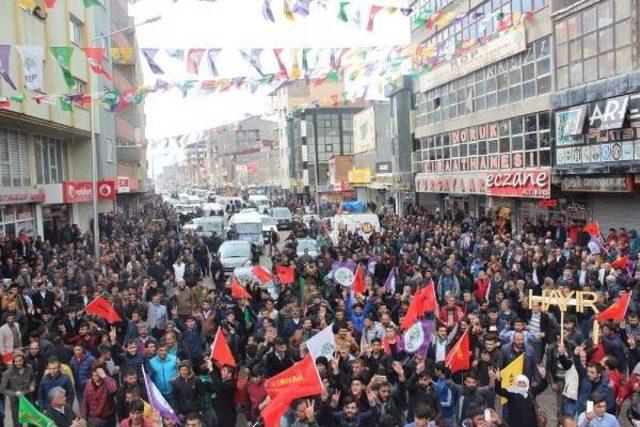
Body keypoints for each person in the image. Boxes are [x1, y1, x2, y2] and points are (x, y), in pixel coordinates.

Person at [0, 350, 35, 426]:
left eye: (20, 361)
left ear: (24, 360)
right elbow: (2, 389)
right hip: (16, 401)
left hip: (28, 398)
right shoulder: (7, 373)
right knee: (17, 423)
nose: (18, 363)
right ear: (13, 361)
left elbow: (32, 378)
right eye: (15, 361)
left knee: (31, 420)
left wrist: (32, 385)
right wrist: (15, 393)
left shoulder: (29, 368)